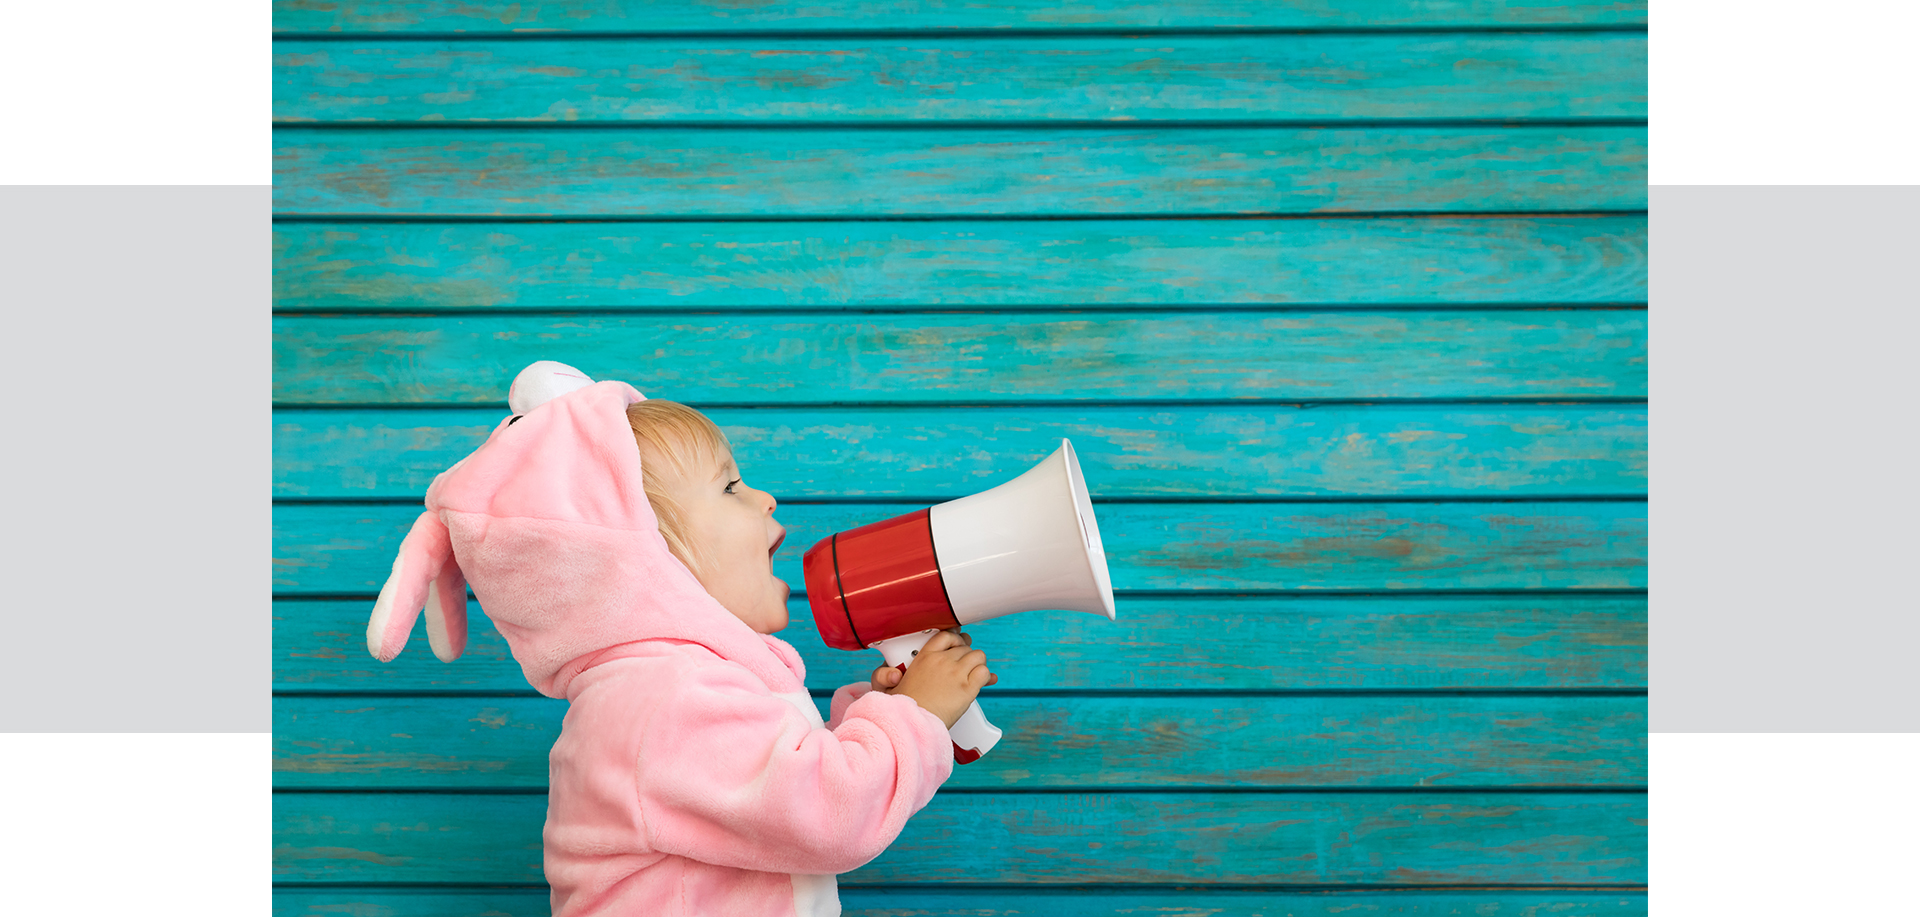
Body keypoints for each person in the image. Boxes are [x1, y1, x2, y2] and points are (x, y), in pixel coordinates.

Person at [365, 362, 993, 917]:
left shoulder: (664, 691)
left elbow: (782, 790)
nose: (767, 498)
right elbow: (831, 814)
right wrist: (913, 716)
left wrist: (882, 717)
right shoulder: (667, 697)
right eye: (730, 487)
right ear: (643, 556)